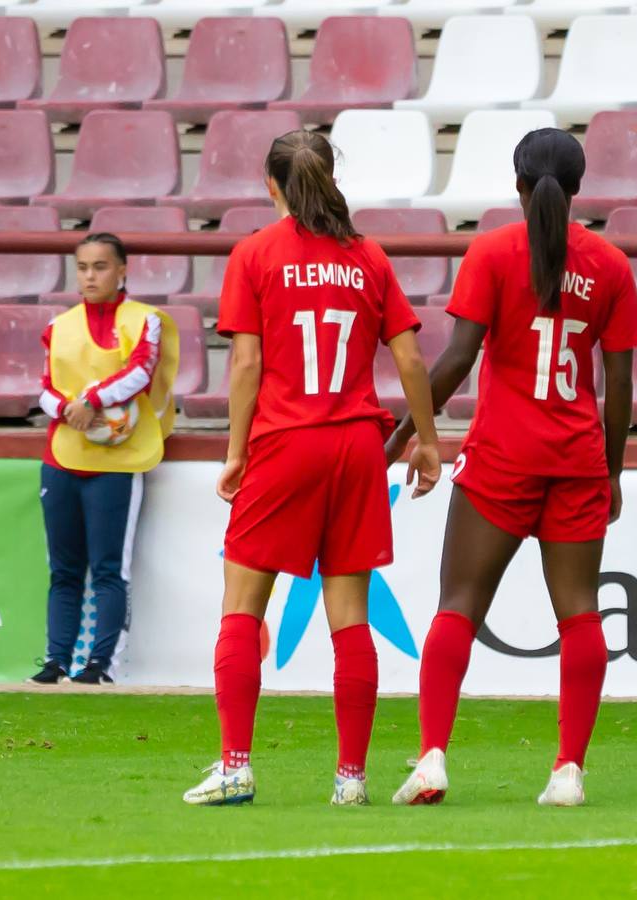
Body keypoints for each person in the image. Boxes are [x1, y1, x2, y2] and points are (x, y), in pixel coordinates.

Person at [183, 130, 442, 808]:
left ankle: (236, 765)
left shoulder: (254, 255)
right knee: (350, 617)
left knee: (242, 605)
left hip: (284, 443)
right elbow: (411, 361)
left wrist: (236, 451)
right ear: (330, 177)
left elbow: (245, 364)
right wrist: (427, 441)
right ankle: (350, 780)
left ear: (272, 187)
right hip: (356, 447)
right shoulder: (369, 259)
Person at [389, 128, 637, 808]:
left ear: (517, 185)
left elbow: (454, 361)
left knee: (458, 607)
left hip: (502, 458)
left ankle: (433, 759)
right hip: (576, 461)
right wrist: (613, 471)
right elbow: (618, 386)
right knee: (580, 615)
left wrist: (403, 436)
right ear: (580, 188)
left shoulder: (493, 251)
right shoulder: (611, 267)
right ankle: (566, 771)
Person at [29, 233, 179, 687]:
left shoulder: (145, 320)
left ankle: (100, 664)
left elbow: (141, 369)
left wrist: (91, 399)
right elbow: (44, 387)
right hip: (63, 456)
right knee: (65, 568)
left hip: (118, 463)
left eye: (100, 266)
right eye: (83, 267)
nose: (90, 276)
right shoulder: (60, 326)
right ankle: (56, 660)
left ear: (122, 271)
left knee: (111, 568)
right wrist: (65, 409)